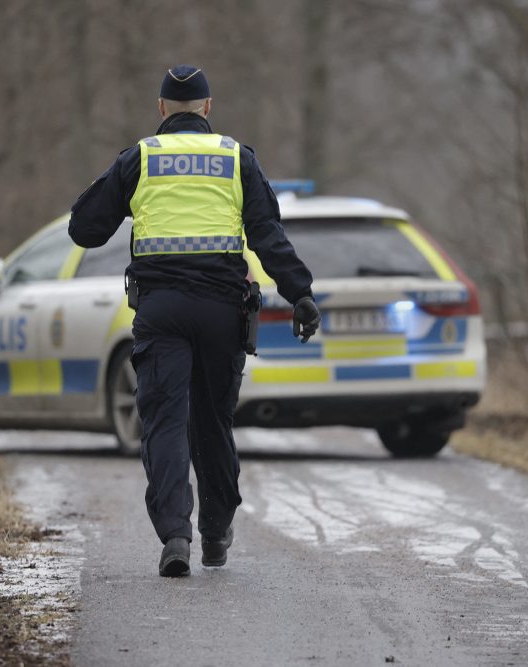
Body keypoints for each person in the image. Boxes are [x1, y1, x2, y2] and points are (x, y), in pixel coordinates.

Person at [68, 64, 320, 577]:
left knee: (164, 421)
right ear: (207, 108)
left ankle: (175, 535)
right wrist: (301, 294)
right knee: (213, 423)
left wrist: (113, 187)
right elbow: (268, 236)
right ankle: (216, 534)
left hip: (161, 310)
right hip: (221, 310)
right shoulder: (235, 158)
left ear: (162, 109)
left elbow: (84, 231)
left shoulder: (140, 158)